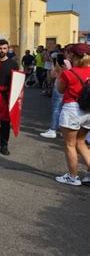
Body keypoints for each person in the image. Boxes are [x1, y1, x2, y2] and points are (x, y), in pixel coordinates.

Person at [54, 43, 90, 186]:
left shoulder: (68, 73)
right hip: (88, 110)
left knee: (70, 144)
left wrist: (61, 74)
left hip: (73, 109)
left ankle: (73, 176)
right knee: (81, 142)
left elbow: (60, 90)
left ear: (73, 56)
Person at [40, 46, 73, 139]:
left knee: (56, 108)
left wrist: (54, 67)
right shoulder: (70, 63)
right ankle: (61, 129)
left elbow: (53, 75)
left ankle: (53, 129)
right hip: (68, 86)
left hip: (59, 85)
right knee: (63, 108)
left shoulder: (59, 62)